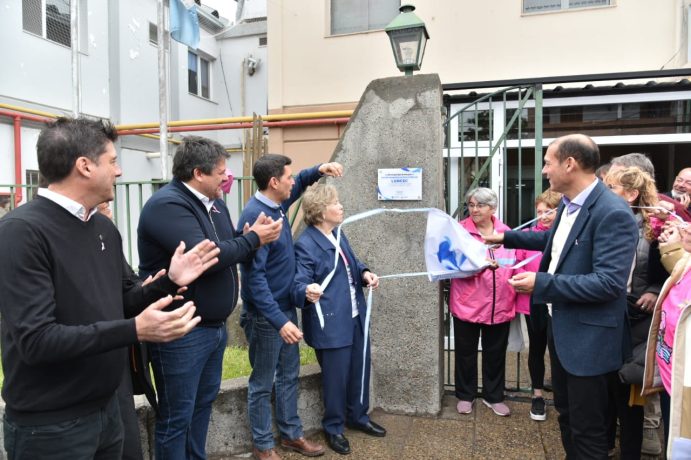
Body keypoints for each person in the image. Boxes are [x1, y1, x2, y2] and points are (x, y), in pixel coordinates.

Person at [0, 117, 219, 459]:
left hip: (107, 411)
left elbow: (120, 301)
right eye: (113, 161)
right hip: (51, 426)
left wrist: (169, 281)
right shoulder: (20, 232)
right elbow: (37, 341)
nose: (118, 171)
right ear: (84, 166)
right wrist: (135, 330)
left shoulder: (101, 227)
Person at [485, 134, 638, 459]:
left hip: (590, 342)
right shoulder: (570, 206)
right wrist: (505, 237)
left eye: (547, 162)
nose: (544, 171)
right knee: (567, 418)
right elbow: (554, 245)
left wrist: (542, 283)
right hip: (565, 332)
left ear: (570, 164)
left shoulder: (612, 213)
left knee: (589, 432)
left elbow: (609, 284)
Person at [137, 136, 282, 460]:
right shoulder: (168, 205)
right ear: (198, 173)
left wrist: (246, 237)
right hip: (181, 332)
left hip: (212, 329)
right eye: (220, 171)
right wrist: (254, 240)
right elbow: (207, 257)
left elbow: (227, 245)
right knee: (177, 418)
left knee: (202, 408)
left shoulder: (215, 203)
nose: (226, 177)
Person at [238, 154, 343, 460]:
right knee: (262, 382)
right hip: (267, 316)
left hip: (284, 309)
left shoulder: (275, 205)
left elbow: (296, 190)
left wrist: (318, 170)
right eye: (288, 177)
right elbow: (253, 281)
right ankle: (263, 446)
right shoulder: (258, 218)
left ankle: (291, 435)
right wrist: (279, 321)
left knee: (288, 375)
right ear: (273, 182)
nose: (293, 181)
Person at [291, 184, 385, 455]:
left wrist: (365, 273)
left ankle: (358, 416)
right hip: (330, 322)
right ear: (320, 211)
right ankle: (334, 427)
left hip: (355, 316)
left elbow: (352, 264)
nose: (341, 206)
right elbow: (299, 283)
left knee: (360, 368)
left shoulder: (337, 234)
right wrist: (307, 291)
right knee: (335, 379)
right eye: (336, 203)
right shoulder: (306, 244)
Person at [604, 166, 667, 459]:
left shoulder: (655, 228)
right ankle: (604, 445)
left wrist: (654, 290)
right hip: (608, 312)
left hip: (638, 317)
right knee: (605, 387)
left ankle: (630, 451)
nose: (604, 192)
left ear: (632, 194)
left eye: (611, 187)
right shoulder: (605, 221)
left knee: (629, 390)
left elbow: (670, 271)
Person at [450, 187, 518, 417]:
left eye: (480, 205)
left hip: (500, 305)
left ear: (493, 208)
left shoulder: (506, 233)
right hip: (467, 304)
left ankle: (494, 396)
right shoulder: (460, 231)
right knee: (465, 354)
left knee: (495, 354)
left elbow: (513, 266)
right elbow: (451, 266)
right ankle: (465, 395)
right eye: (471, 205)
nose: (474, 209)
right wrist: (478, 266)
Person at [642, 220, 691, 458]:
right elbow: (673, 263)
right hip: (671, 378)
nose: (687, 227)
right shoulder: (686, 262)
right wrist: (669, 243)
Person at [514, 189, 561, 422]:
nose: (543, 216)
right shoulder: (527, 234)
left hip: (559, 300)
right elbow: (517, 264)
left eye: (548, 211)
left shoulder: (567, 234)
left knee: (558, 349)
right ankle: (537, 395)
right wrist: (525, 280)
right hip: (533, 299)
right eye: (539, 211)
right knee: (537, 346)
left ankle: (562, 394)